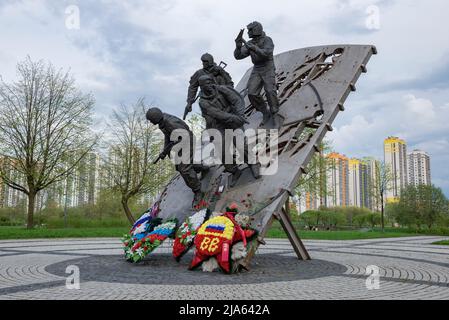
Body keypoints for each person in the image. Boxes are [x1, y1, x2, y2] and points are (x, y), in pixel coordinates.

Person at [197, 75, 260, 187]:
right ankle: (235, 171)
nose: (208, 85)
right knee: (222, 152)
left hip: (233, 120)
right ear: (201, 87)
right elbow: (216, 114)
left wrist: (240, 115)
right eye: (204, 84)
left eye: (209, 82)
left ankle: (253, 163)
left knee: (241, 144)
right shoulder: (202, 101)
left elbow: (237, 100)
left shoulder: (222, 89)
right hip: (219, 125)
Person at [146, 107, 203, 203]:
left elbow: (184, 136)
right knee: (179, 166)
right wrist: (165, 151)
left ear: (156, 117)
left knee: (184, 169)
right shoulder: (162, 123)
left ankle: (198, 190)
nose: (151, 122)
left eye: (151, 120)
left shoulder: (170, 122)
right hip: (181, 143)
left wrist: (171, 147)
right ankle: (201, 167)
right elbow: (168, 137)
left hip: (187, 141)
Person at [234, 21, 279, 126]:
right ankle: (265, 112)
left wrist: (253, 48)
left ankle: (274, 113)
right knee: (252, 93)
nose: (248, 32)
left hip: (268, 67)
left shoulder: (267, 40)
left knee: (270, 90)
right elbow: (238, 56)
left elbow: (266, 54)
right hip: (257, 68)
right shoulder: (251, 43)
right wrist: (238, 46)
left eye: (250, 30)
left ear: (256, 29)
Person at [184, 53, 234, 121]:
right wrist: (190, 102)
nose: (203, 63)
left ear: (210, 61)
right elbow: (192, 87)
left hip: (223, 99)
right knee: (210, 121)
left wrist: (229, 95)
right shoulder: (199, 73)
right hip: (208, 101)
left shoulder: (219, 70)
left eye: (205, 61)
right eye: (203, 62)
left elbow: (229, 83)